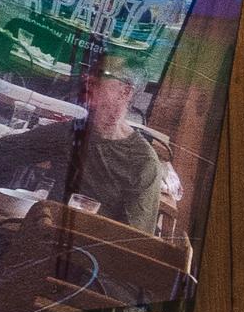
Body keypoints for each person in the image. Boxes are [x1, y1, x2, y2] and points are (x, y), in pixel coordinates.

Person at [70, 65, 181, 237]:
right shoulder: (71, 132)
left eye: (102, 74)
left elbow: (133, 243)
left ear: (126, 91)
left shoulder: (143, 162)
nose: (88, 78)